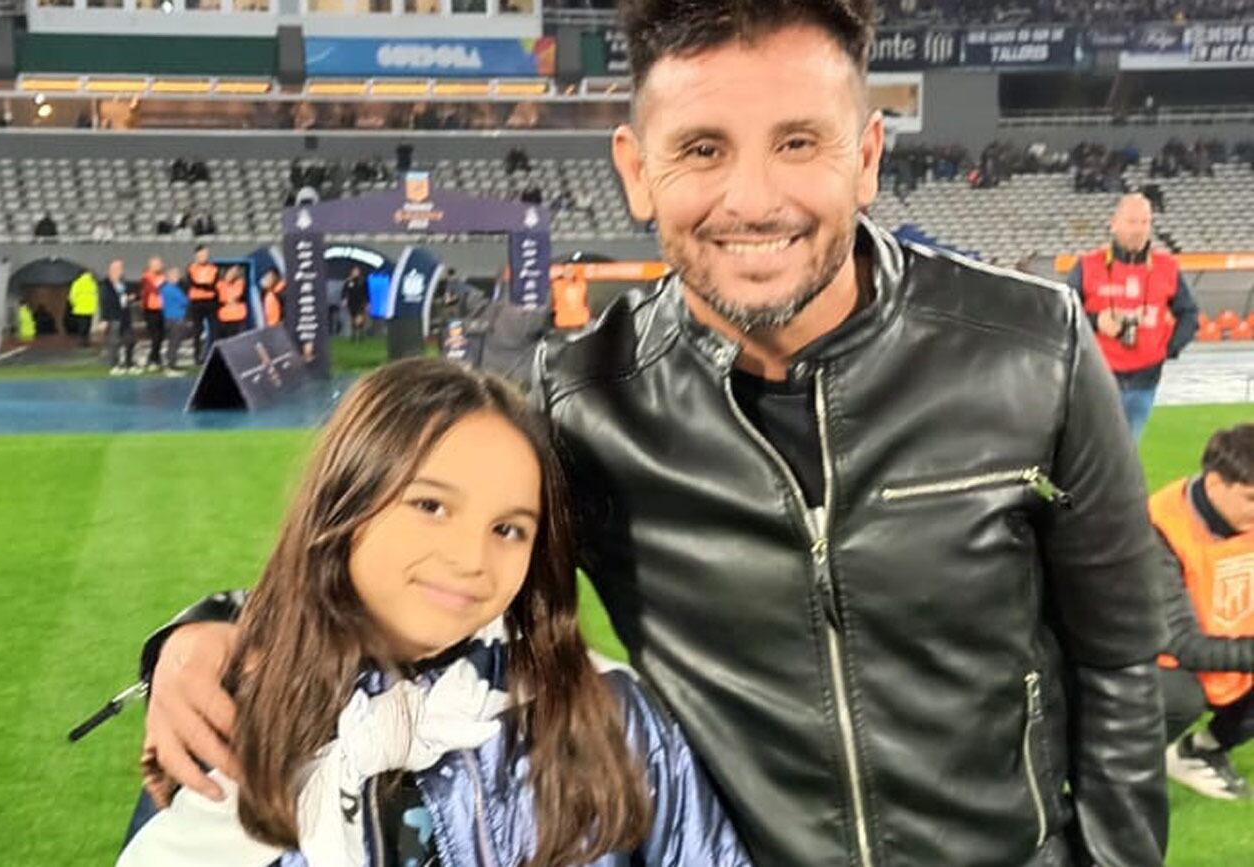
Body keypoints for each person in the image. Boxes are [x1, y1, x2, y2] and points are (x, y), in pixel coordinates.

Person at [138, 3, 1168, 865]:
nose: (752, 199)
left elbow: (1120, 662)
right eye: (702, 150)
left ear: (865, 157)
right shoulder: (580, 404)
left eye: (798, 142)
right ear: (637, 171)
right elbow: (405, 550)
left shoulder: (1028, 346)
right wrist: (209, 628)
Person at [120, 359, 750, 867]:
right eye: (430, 506)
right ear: (346, 501)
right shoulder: (226, 712)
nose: (471, 558)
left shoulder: (612, 718)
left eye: (509, 528)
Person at [1151, 424, 1254, 801]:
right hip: (1164, 657)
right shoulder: (1157, 529)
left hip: (1233, 640)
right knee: (1179, 698)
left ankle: (1201, 750)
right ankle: (1126, 765)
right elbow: (1179, 642)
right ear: (1214, 484)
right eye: (1251, 498)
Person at [1066, 193, 1199, 440]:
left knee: (1127, 452)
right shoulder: (1088, 265)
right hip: (1098, 376)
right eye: (1131, 221)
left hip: (1145, 380)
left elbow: (1189, 314)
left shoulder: (1166, 266)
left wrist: (1168, 349)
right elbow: (1062, 313)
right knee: (1091, 449)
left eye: (1144, 222)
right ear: (1114, 223)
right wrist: (1096, 321)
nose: (1138, 229)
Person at [99, 259, 137, 375]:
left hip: (125, 316)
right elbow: (104, 302)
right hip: (113, 316)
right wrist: (104, 319)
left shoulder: (124, 283)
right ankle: (114, 365)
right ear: (110, 270)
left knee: (130, 340)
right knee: (114, 342)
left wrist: (131, 297)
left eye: (120, 269)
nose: (119, 271)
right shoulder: (105, 284)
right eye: (116, 269)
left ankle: (129, 363)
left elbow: (132, 295)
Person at [186, 245, 220, 364]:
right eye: (201, 254)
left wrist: (202, 286)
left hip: (210, 302)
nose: (203, 257)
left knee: (214, 329)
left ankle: (213, 355)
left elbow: (214, 285)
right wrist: (205, 286)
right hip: (196, 302)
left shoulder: (213, 268)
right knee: (197, 330)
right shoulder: (191, 268)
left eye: (205, 254)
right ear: (196, 255)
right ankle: (196, 357)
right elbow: (192, 283)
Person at [160, 267, 189, 376]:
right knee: (174, 342)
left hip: (174, 318)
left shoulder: (172, 288)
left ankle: (173, 363)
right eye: (176, 275)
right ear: (169, 277)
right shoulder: (169, 289)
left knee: (175, 342)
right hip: (174, 319)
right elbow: (184, 301)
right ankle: (170, 365)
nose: (178, 277)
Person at [140, 256, 166, 372]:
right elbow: (153, 289)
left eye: (160, 264)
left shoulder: (162, 276)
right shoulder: (147, 276)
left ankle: (156, 358)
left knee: (160, 335)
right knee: (155, 335)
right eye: (157, 264)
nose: (159, 266)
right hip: (150, 309)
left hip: (161, 309)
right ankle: (152, 359)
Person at [216, 264, 248, 341]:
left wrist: (234, 299)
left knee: (240, 341)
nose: (234, 273)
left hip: (239, 319)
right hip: (225, 319)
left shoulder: (241, 283)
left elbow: (241, 296)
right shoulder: (219, 285)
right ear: (227, 271)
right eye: (232, 271)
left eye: (236, 271)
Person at [68, 269, 99, 347]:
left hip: (80, 307)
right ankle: (86, 339)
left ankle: (81, 339)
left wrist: (74, 304)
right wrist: (95, 305)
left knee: (81, 323)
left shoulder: (77, 283)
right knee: (88, 323)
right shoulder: (93, 283)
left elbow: (72, 296)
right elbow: (96, 295)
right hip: (90, 307)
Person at [341, 265, 368, 342]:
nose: (355, 273)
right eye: (354, 271)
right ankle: (354, 334)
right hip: (352, 302)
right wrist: (344, 299)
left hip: (361, 302)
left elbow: (366, 292)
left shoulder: (363, 281)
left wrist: (367, 302)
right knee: (353, 318)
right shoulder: (348, 281)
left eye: (356, 271)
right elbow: (344, 291)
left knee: (360, 317)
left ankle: (361, 334)